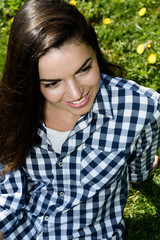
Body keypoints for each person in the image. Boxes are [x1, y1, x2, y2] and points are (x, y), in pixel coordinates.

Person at [0, 0, 160, 239]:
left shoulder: (142, 109)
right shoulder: (13, 110)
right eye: (52, 83)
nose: (76, 94)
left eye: (84, 69)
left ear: (95, 51)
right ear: (29, 81)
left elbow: (140, 172)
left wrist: (142, 170)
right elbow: (7, 193)